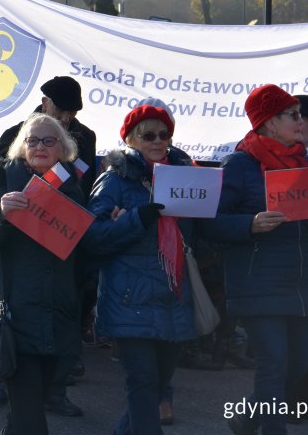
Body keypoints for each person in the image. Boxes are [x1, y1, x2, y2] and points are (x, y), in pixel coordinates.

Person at [0, 113, 112, 435]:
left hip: (58, 316)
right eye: (32, 140)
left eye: (49, 140)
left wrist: (112, 223)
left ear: (64, 149)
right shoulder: (4, 182)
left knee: (25, 412)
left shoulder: (72, 189)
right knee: (32, 419)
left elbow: (86, 251)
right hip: (13, 316)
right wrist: (0, 215)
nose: (40, 146)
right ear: (21, 147)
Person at [208, 85, 308, 435]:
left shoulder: (307, 162)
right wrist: (248, 224)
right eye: (292, 115)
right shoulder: (240, 164)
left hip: (304, 283)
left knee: (297, 367)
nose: (302, 121)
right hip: (258, 283)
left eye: (300, 115)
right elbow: (208, 223)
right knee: (273, 366)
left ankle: (247, 416)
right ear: (268, 122)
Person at [86, 104, 199, 435]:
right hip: (129, 297)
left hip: (172, 294)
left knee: (158, 383)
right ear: (132, 139)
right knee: (143, 381)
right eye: (149, 135)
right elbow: (93, 236)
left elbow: (200, 232)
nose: (158, 140)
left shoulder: (186, 176)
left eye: (164, 134)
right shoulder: (114, 179)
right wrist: (138, 219)